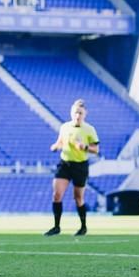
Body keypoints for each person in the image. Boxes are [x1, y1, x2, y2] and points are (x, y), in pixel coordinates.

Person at [44, 99, 99, 237]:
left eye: (80, 113)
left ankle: (83, 227)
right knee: (57, 195)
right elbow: (60, 142)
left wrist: (85, 147)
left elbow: (96, 149)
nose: (77, 115)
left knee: (78, 198)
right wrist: (55, 146)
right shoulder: (65, 127)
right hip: (65, 164)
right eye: (75, 112)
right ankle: (56, 227)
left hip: (80, 165)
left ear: (85, 114)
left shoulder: (89, 129)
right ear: (71, 113)